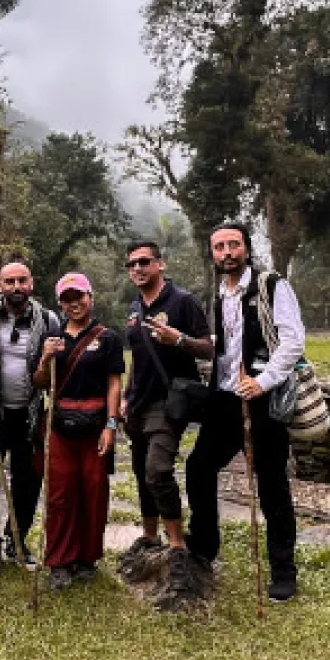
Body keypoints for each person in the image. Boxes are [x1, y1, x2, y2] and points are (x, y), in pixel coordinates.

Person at [182, 222, 306, 603]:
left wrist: (263, 381)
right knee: (199, 467)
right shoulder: (219, 293)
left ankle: (283, 571)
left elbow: (293, 341)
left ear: (247, 249)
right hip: (224, 399)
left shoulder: (271, 286)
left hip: (263, 401)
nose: (226, 253)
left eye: (233, 245)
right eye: (219, 247)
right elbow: (224, 345)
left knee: (272, 486)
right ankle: (204, 546)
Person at [120, 240, 213, 582]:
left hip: (169, 402)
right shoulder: (134, 309)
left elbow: (209, 349)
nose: (138, 268)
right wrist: (126, 396)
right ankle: (149, 536)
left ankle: (177, 545)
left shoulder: (183, 301)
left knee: (158, 470)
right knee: (141, 472)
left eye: (144, 261)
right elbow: (138, 357)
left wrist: (179, 340)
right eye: (131, 264)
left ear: (161, 264)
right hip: (138, 403)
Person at [32, 272, 124, 588]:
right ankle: (59, 560)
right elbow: (40, 383)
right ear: (60, 303)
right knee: (60, 494)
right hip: (60, 426)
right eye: (67, 299)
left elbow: (114, 383)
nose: (74, 303)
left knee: (94, 491)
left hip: (96, 425)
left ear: (90, 297)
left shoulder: (108, 338)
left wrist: (111, 425)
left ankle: (87, 557)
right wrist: (45, 358)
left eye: (79, 296)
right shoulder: (53, 338)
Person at [0, 258, 61, 574]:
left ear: (31, 284)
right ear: (0, 286)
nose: (16, 287)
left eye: (22, 280)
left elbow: (55, 368)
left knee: (28, 480)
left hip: (30, 413)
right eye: (9, 282)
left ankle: (17, 538)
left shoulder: (47, 319)